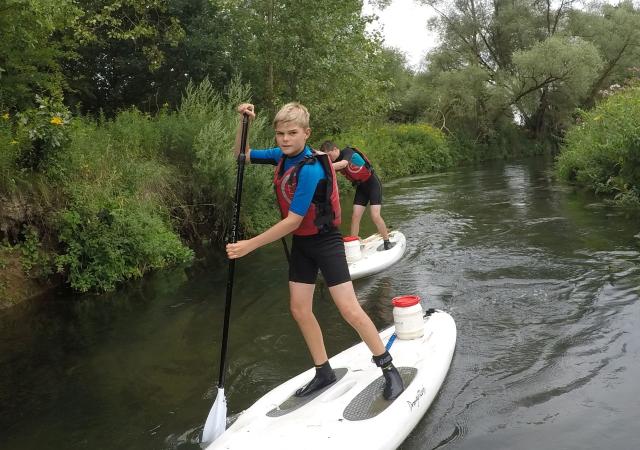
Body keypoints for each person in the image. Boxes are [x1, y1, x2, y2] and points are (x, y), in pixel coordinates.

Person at [226, 102, 404, 400]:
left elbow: (293, 220)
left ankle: (388, 368)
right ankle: (324, 372)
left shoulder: (310, 170)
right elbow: (240, 155)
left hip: (326, 243)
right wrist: (243, 124)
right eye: (280, 133)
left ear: (306, 133)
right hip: (303, 245)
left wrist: (249, 245)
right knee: (299, 309)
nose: (285, 139)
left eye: (292, 133)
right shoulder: (280, 156)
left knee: (349, 310)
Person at [319, 141, 394, 250]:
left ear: (335, 149)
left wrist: (324, 167)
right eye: (327, 157)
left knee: (375, 215)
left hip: (373, 184)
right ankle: (355, 245)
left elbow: (344, 164)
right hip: (361, 188)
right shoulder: (335, 161)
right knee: (355, 216)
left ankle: (387, 241)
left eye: (329, 155)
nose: (329, 159)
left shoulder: (348, 152)